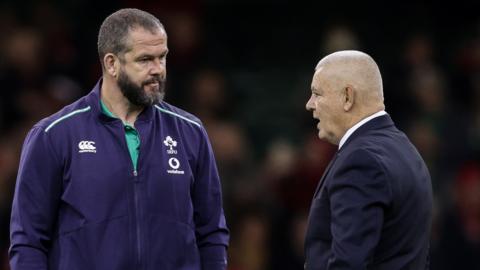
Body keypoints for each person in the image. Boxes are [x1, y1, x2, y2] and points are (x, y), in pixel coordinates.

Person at [9, 8, 229, 270]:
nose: (158, 70)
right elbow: (28, 242)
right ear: (111, 63)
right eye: (145, 59)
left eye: (163, 57)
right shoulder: (54, 135)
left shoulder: (190, 132)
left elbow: (212, 234)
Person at [304, 50, 433, 270]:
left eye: (317, 93)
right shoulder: (405, 149)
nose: (310, 104)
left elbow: (348, 263)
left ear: (347, 97)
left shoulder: (361, 161)